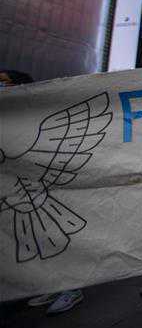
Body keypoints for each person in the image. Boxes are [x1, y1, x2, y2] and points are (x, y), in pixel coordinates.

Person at [2, 70, 85, 315]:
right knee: (34, 245)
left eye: (5, 83)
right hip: (15, 200)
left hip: (41, 196)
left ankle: (72, 287)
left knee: (56, 239)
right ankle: (53, 284)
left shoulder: (34, 119)